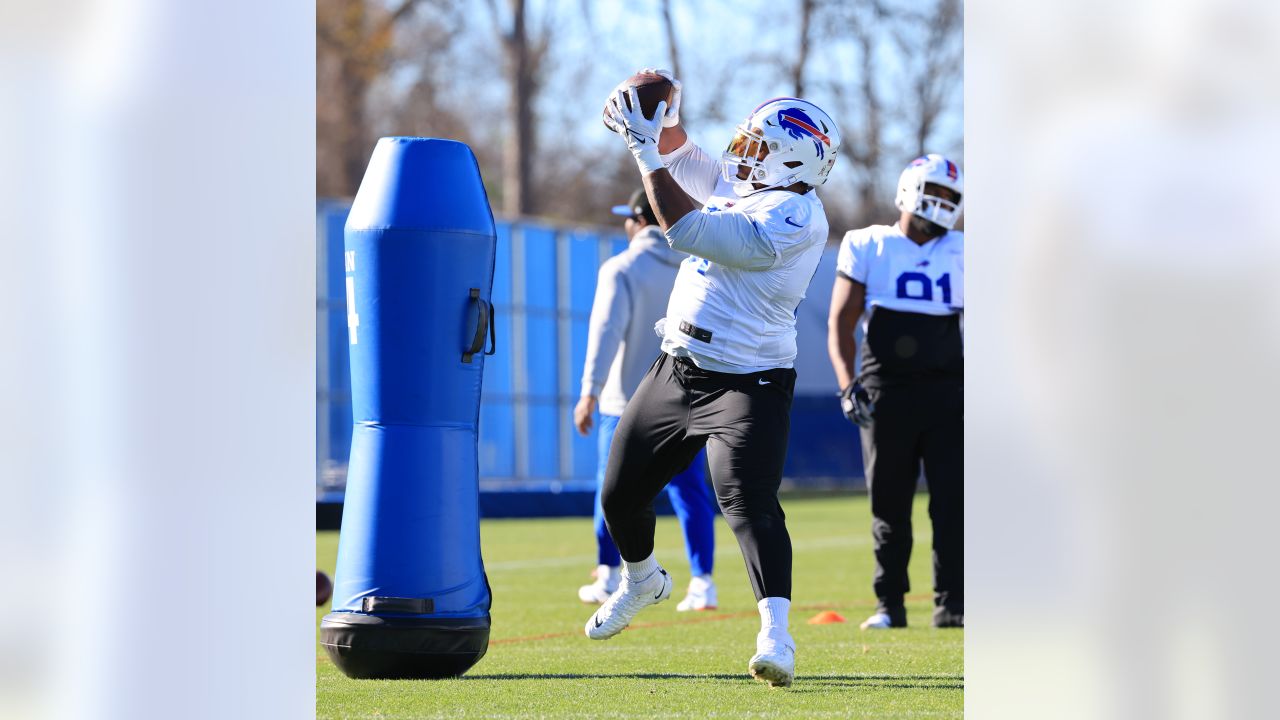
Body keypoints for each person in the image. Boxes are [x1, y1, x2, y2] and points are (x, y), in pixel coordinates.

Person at [587, 68, 842, 688]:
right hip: (678, 366)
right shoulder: (746, 180)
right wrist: (657, 118)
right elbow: (683, 154)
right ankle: (643, 579)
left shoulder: (797, 216)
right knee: (619, 494)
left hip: (747, 381)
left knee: (746, 501)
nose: (743, 152)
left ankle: (776, 636)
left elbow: (688, 229)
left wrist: (643, 150)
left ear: (791, 160)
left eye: (759, 145)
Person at [826, 154, 965, 630]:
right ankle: (891, 606)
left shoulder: (966, 250)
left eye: (951, 196)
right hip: (887, 389)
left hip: (951, 391)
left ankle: (954, 606)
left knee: (955, 504)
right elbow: (841, 323)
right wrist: (848, 385)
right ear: (909, 189)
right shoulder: (869, 244)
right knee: (889, 505)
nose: (942, 204)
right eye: (935, 191)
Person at [573, 187, 718, 613]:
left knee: (613, 487)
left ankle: (608, 574)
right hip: (685, 395)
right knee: (690, 491)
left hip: (624, 403)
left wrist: (589, 391)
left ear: (638, 221)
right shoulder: (696, 264)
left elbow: (604, 333)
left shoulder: (621, 267)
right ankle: (702, 582)